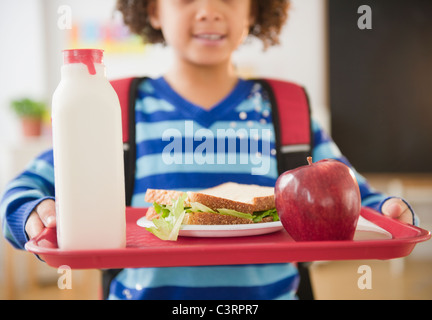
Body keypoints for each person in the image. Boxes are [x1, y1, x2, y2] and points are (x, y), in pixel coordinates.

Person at [1, 0, 417, 300]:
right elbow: (24, 188)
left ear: (254, 10)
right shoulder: (114, 107)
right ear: (151, 10)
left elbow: (357, 200)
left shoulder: (288, 111)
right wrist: (34, 213)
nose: (208, 9)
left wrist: (389, 212)